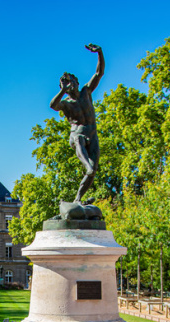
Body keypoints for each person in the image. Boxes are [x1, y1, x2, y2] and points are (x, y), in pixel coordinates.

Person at [50, 43, 104, 204]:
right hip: (77, 134)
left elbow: (99, 73)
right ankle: (86, 165)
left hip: (92, 134)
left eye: (71, 81)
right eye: (65, 84)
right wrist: (62, 90)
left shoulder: (86, 92)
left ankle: (78, 199)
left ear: (76, 82)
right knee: (79, 141)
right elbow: (53, 105)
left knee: (92, 172)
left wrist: (99, 53)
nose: (69, 85)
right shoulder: (66, 103)